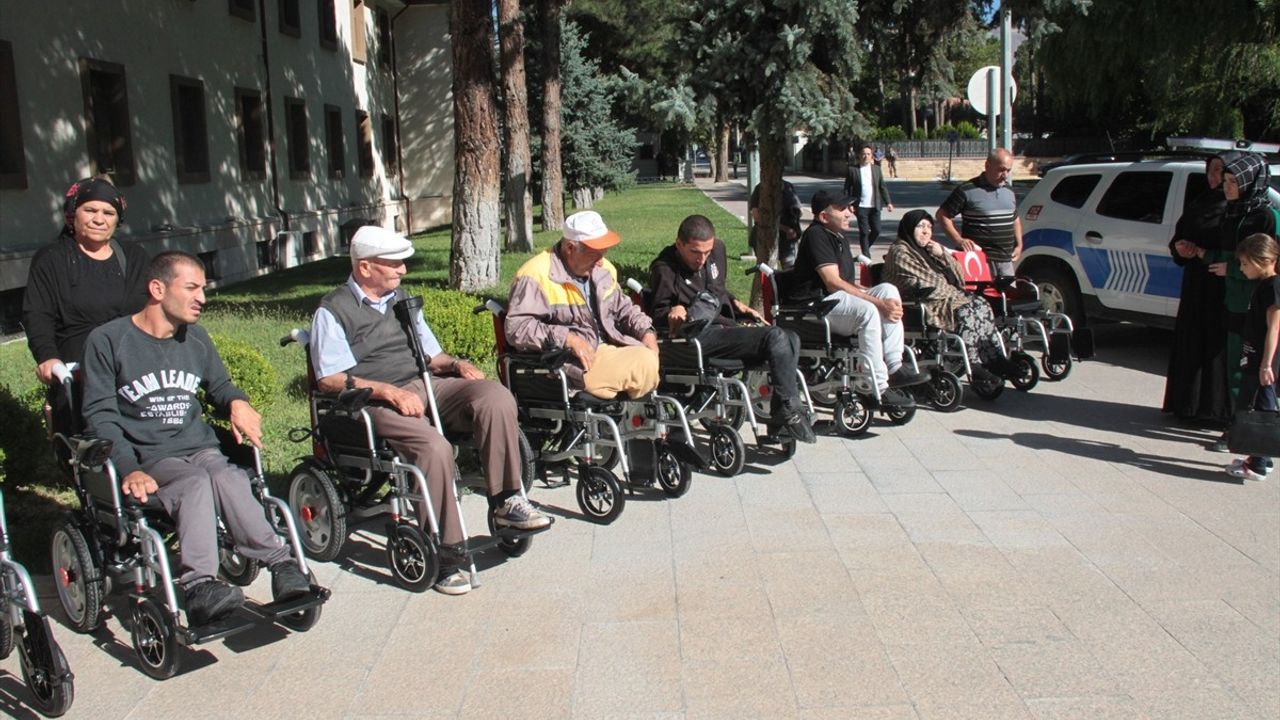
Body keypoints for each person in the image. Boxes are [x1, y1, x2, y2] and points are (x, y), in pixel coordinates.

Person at [310, 226, 549, 596]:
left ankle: (506, 501)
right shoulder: (333, 310)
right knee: (434, 446)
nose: (402, 270)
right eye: (394, 264)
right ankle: (447, 551)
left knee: (495, 396)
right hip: (372, 400)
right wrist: (388, 392)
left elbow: (432, 356)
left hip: (423, 385)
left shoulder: (401, 300)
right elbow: (329, 379)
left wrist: (456, 364)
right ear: (365, 267)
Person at [80, 251, 313, 625]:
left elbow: (219, 386)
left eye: (203, 288)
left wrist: (237, 402)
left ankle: (283, 566)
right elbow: (100, 415)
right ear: (157, 289)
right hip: (152, 459)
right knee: (194, 483)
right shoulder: (109, 341)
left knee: (228, 476)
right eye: (191, 288)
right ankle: (200, 586)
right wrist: (128, 468)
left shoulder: (196, 339)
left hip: (202, 448)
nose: (202, 298)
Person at [648, 214, 816, 443]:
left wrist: (736, 303)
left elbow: (716, 291)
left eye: (706, 252)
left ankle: (779, 419)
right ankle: (790, 409)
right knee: (776, 336)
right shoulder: (664, 269)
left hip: (725, 328)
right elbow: (656, 314)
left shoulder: (717, 250)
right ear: (679, 244)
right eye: (695, 252)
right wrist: (673, 311)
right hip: (698, 337)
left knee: (791, 337)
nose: (702, 259)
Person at [23, 177, 149, 431]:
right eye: (90, 210)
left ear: (118, 219)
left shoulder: (135, 257)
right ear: (72, 214)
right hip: (79, 373)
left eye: (108, 212)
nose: (99, 219)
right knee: (90, 452)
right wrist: (47, 357)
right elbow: (37, 314)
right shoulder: (52, 259)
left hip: (134, 372)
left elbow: (154, 307)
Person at [788, 190, 927, 408]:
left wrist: (877, 296)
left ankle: (894, 366)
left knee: (888, 290)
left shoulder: (838, 237)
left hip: (837, 302)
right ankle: (877, 387)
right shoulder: (817, 235)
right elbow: (833, 282)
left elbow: (848, 284)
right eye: (842, 209)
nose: (850, 213)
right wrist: (877, 304)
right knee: (868, 310)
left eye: (850, 208)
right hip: (816, 307)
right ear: (824, 217)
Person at [506, 210, 660, 399]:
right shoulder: (535, 275)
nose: (601, 261)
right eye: (595, 254)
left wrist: (647, 332)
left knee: (652, 354)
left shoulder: (603, 268)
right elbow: (517, 328)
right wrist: (568, 339)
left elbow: (624, 309)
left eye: (603, 253)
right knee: (645, 362)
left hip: (609, 348)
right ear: (570, 248)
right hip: (574, 363)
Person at [881, 209, 1011, 386]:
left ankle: (994, 358)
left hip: (944, 298)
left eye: (929, 227)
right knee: (967, 311)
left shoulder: (927, 250)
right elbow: (930, 281)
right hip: (922, 303)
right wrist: (957, 293)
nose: (926, 231)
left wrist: (942, 254)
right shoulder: (900, 252)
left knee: (982, 304)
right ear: (909, 228)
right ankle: (974, 365)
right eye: (921, 226)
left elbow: (959, 276)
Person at [1162, 152, 1240, 425]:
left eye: (1220, 171)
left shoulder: (1237, 209)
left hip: (1223, 287)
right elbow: (1179, 235)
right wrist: (1181, 249)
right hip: (1196, 283)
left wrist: (1207, 252)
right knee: (1192, 340)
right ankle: (1188, 405)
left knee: (1217, 346)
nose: (1213, 177)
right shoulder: (1200, 203)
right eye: (1210, 170)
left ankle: (1216, 411)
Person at [1208, 153, 1278, 451]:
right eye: (1226, 181)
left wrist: (1233, 269)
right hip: (1234, 300)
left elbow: (1266, 258)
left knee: (1251, 374)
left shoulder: (1266, 215)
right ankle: (1241, 430)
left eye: (1235, 181)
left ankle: (1250, 437)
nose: (1228, 187)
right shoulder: (1233, 211)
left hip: (1256, 302)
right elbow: (1226, 251)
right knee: (1236, 365)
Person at [1225, 233, 1280, 481]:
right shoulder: (1264, 285)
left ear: (1263, 260)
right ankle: (1260, 456)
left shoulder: (1273, 287)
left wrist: (1266, 364)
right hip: (1255, 357)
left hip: (1263, 361)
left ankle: (1259, 463)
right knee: (1254, 402)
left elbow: (1275, 328)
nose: (1242, 268)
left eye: (1245, 263)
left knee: (1262, 407)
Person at [936, 148, 1022, 278]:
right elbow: (942, 215)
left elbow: (1014, 218)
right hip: (978, 261)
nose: (1005, 175)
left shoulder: (1009, 191)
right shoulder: (967, 190)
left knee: (1006, 297)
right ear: (988, 165)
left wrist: (1019, 244)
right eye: (1001, 169)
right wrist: (959, 240)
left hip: (1006, 262)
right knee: (979, 298)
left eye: (1008, 170)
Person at [843, 144, 895, 256]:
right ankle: (866, 255)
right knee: (864, 231)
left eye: (868, 154)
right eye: (863, 154)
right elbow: (847, 188)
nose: (866, 156)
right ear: (859, 156)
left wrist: (888, 202)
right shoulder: (853, 170)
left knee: (877, 230)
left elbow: (882, 187)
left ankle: (865, 248)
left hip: (874, 205)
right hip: (860, 206)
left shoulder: (876, 170)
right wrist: (848, 204)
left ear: (872, 156)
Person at [749, 181, 803, 267]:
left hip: (788, 239)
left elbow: (799, 211)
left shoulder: (788, 187)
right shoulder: (760, 189)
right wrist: (785, 229)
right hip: (766, 236)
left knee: (790, 269)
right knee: (768, 270)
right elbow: (758, 217)